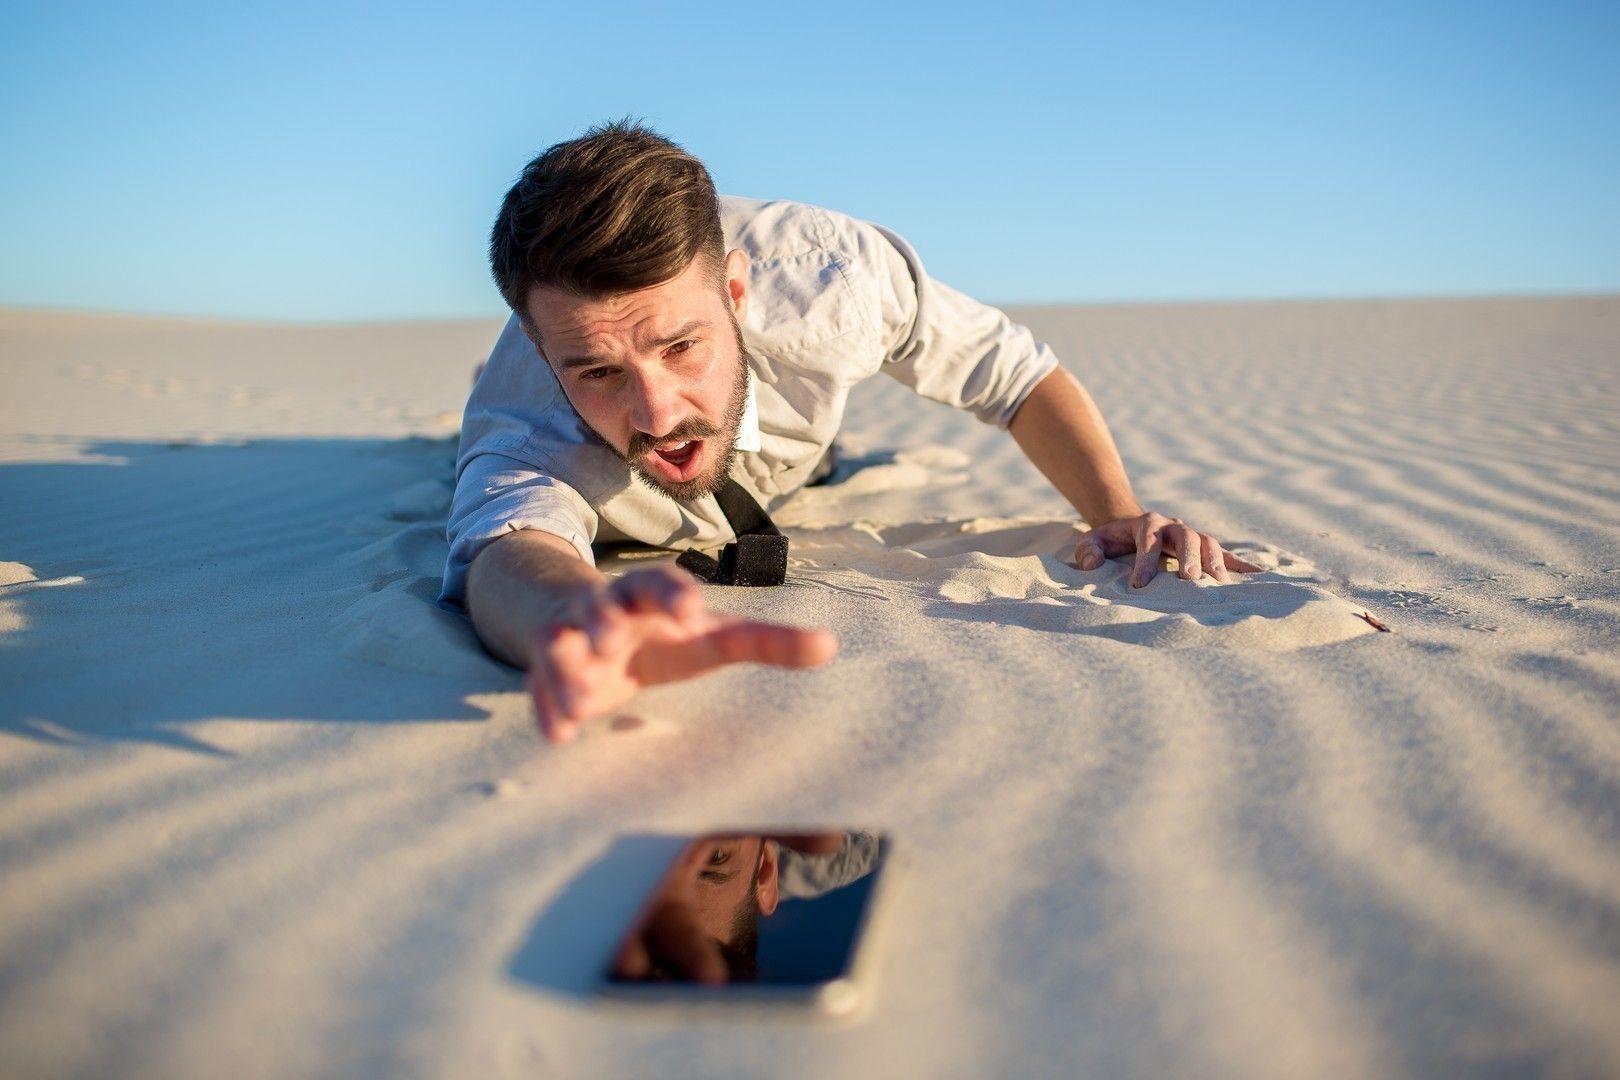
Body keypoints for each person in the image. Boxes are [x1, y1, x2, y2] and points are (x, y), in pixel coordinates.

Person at [444, 121, 1260, 742]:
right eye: (597, 372)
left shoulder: (835, 278)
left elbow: (1016, 377)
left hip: (791, 434)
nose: (656, 413)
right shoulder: (525, 422)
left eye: (681, 347)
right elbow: (510, 552)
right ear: (544, 354)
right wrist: (573, 622)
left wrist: (1116, 512)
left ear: (736, 293)